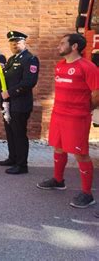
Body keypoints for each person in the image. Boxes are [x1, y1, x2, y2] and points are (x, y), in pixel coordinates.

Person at [36, 34, 99, 209]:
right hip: (59, 115)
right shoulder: (60, 66)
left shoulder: (88, 67)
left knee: (81, 154)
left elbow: (97, 93)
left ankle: (87, 194)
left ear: (74, 47)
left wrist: (88, 108)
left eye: (62, 43)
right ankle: (58, 180)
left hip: (77, 118)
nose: (58, 46)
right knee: (58, 147)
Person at [0, 31, 39, 175]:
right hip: (8, 104)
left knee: (19, 134)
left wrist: (10, 93)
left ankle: (22, 165)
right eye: (12, 43)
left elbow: (29, 82)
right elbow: (4, 80)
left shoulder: (30, 59)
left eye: (17, 42)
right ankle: (12, 158)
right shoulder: (12, 59)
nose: (14, 45)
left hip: (20, 104)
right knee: (10, 132)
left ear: (24, 43)